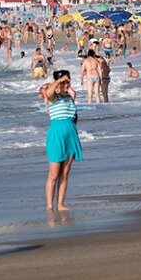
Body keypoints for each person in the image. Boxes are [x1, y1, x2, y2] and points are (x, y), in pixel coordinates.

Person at [43, 70, 82, 211]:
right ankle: (49, 205)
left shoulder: (70, 97)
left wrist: (66, 83)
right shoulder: (53, 97)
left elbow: (73, 93)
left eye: (68, 81)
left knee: (65, 173)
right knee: (53, 174)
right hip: (56, 135)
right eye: (65, 82)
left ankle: (60, 204)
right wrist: (59, 81)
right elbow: (48, 94)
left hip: (70, 135)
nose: (67, 84)